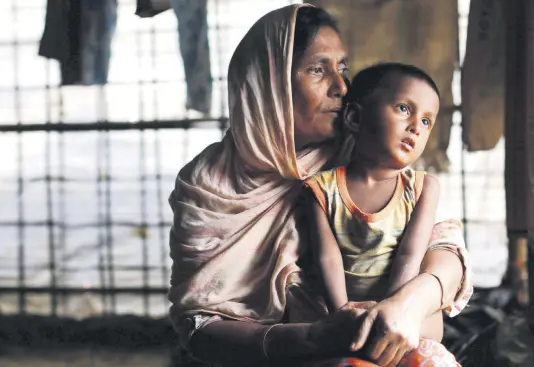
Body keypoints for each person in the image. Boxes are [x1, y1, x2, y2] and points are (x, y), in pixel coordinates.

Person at [168, 4, 473, 367]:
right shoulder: (208, 187)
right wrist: (312, 338)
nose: (342, 87)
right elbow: (200, 328)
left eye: (342, 68)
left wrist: (410, 303)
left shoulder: (360, 151)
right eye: (317, 69)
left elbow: (444, 250)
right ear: (269, 81)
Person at [304, 63, 444, 317]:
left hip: (400, 310)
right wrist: (341, 313)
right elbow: (328, 259)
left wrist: (390, 312)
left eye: (426, 121)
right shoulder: (321, 189)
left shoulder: (423, 188)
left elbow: (409, 255)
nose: (416, 127)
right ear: (355, 118)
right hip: (341, 309)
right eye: (404, 109)